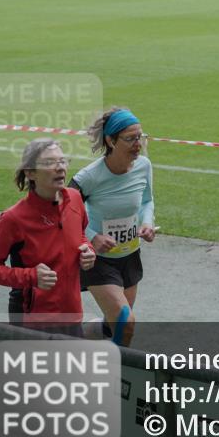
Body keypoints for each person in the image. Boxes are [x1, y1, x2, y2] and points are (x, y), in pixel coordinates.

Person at [0, 138, 96, 328]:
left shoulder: (74, 199)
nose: (60, 168)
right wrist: (31, 276)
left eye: (62, 161)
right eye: (49, 163)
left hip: (72, 314)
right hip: (31, 320)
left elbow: (80, 234)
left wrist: (87, 251)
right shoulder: (13, 218)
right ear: (30, 173)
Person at [70, 107, 155, 345]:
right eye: (130, 139)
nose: (138, 143)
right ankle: (117, 376)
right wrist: (92, 236)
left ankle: (75, 337)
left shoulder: (144, 166)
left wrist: (147, 222)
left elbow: (147, 200)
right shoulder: (89, 177)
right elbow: (65, 213)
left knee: (113, 326)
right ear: (111, 140)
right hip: (98, 260)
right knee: (125, 322)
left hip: (130, 255)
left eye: (140, 137)